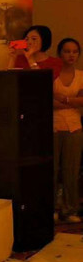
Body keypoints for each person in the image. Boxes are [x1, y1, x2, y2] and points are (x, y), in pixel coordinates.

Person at [52, 37, 83, 223]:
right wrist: (72, 102)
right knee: (52, 170)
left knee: (71, 170)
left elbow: (82, 102)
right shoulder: (53, 74)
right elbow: (47, 101)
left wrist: (62, 99)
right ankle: (53, 208)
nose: (71, 55)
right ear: (60, 53)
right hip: (53, 126)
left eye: (75, 52)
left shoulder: (81, 75)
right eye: (67, 51)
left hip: (74, 127)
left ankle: (70, 208)